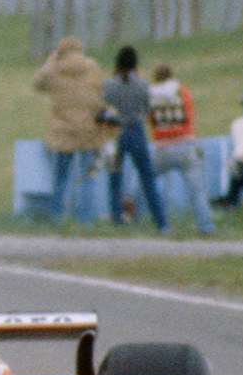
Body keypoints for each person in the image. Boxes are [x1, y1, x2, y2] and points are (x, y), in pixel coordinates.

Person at [33, 36, 111, 223]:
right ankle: (86, 221)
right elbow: (103, 93)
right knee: (88, 178)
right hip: (90, 131)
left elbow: (37, 84)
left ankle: (58, 218)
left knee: (60, 178)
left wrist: (50, 62)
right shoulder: (92, 67)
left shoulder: (54, 69)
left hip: (62, 132)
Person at [101, 46, 168, 233]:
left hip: (116, 133)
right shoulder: (143, 85)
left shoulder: (109, 85)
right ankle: (162, 223)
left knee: (115, 178)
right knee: (148, 178)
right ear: (135, 65)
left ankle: (116, 220)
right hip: (136, 131)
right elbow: (148, 109)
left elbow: (103, 107)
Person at [146, 64, 216, 236]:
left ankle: (140, 217)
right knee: (197, 191)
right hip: (185, 145)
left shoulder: (150, 95)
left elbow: (150, 120)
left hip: (162, 147)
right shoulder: (182, 91)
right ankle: (206, 227)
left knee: (145, 179)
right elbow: (190, 114)